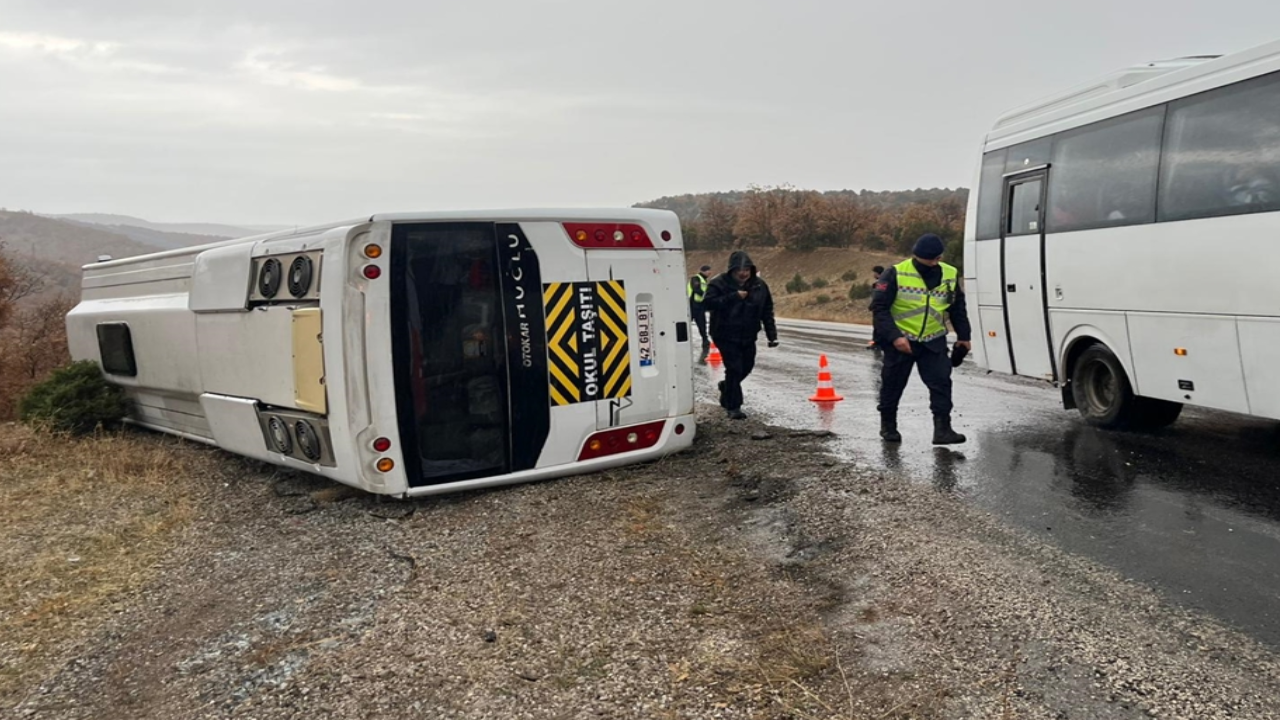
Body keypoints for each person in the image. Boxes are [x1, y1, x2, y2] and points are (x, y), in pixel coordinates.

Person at [869, 234, 971, 444]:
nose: (932, 264)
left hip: (933, 339)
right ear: (917, 256)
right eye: (928, 260)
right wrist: (895, 337)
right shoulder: (895, 273)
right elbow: (879, 308)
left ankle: (943, 430)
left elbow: (957, 308)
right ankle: (888, 427)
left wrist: (964, 336)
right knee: (892, 385)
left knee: (941, 383)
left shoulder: (950, 274)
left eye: (936, 259)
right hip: (901, 341)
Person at [702, 250, 778, 420]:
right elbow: (707, 303)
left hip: (749, 334)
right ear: (732, 270)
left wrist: (772, 335)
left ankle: (727, 386)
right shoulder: (719, 283)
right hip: (725, 333)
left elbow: (767, 310)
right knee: (734, 368)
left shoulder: (759, 285)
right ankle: (734, 406)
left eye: (747, 270)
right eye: (739, 271)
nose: (743, 274)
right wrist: (733, 297)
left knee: (747, 367)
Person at [687, 264, 712, 361]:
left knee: (702, 325)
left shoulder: (704, 280)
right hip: (692, 305)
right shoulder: (696, 278)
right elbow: (697, 289)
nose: (709, 273)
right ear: (703, 271)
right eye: (708, 271)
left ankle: (705, 341)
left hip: (700, 306)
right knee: (685, 325)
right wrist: (706, 295)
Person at [867, 266, 886, 349]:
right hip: (879, 308)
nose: (873, 274)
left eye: (874, 273)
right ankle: (875, 343)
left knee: (878, 326)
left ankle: (878, 344)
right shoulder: (882, 282)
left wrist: (872, 305)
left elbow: (878, 297)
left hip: (879, 308)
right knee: (877, 326)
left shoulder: (881, 284)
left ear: (878, 274)